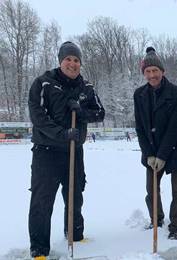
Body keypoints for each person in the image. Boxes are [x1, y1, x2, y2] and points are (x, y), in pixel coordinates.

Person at [28, 41, 105, 259]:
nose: (72, 64)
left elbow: (99, 113)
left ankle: (75, 235)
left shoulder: (86, 87)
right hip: (47, 151)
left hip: (74, 150)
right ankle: (39, 248)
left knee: (75, 194)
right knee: (42, 200)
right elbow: (38, 117)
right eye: (68, 59)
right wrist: (62, 134)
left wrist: (80, 111)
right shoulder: (44, 84)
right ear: (60, 61)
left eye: (76, 60)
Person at [134, 47, 177, 240]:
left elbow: (176, 127)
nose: (152, 75)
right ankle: (156, 219)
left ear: (162, 71)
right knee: (151, 190)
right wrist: (150, 154)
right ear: (144, 73)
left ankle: (175, 226)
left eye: (155, 70)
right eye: (147, 71)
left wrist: (163, 155)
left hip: (175, 149)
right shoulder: (139, 95)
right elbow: (140, 127)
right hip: (151, 149)